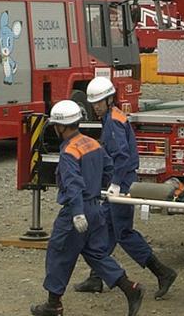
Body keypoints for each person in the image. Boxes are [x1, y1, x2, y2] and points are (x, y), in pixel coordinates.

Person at [32, 99, 144, 316]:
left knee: (58, 253)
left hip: (77, 211)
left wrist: (76, 213)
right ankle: (131, 289)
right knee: (97, 254)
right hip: (95, 209)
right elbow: (109, 168)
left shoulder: (69, 152)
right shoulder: (92, 143)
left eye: (56, 125)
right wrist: (103, 189)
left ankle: (53, 305)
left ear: (62, 126)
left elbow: (73, 185)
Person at [74, 78, 178, 299]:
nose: (96, 106)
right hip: (122, 180)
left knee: (123, 232)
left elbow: (121, 156)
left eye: (99, 102)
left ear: (109, 99)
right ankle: (96, 277)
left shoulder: (112, 122)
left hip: (121, 183)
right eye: (94, 103)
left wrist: (115, 185)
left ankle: (162, 272)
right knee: (107, 230)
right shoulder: (114, 117)